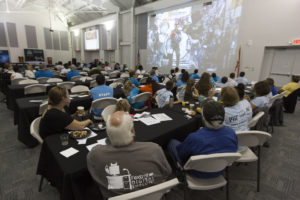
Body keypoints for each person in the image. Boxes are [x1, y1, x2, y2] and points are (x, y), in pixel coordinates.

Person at [87, 111, 172, 198]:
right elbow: (166, 173)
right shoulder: (154, 150)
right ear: (133, 131)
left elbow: (97, 179)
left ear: (108, 134)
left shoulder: (95, 155)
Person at [168, 100, 237, 178]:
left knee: (172, 143)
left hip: (196, 172)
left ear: (203, 117)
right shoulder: (231, 132)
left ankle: (179, 170)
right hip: (220, 170)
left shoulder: (194, 137)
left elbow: (181, 155)